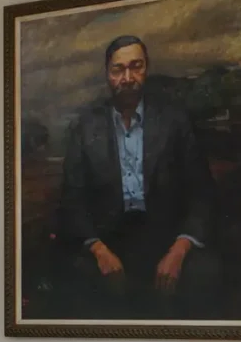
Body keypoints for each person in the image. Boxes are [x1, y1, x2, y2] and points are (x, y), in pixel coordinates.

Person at [58, 35, 220, 318]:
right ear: (107, 73)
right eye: (118, 69)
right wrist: (98, 249)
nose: (128, 77)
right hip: (108, 237)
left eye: (136, 66)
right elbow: (72, 199)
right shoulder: (85, 127)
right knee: (77, 279)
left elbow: (202, 193)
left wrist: (179, 250)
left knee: (206, 273)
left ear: (147, 68)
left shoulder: (174, 119)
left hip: (166, 236)